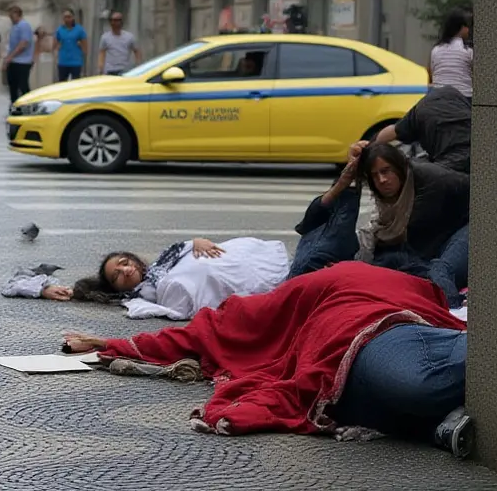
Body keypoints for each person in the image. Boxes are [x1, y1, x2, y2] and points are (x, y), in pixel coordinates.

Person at [61, 261, 473, 457]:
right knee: (390, 401)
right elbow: (200, 331)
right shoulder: (280, 300)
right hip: (344, 382)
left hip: (381, 332)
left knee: (416, 386)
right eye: (115, 274)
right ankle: (441, 423)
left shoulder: (335, 281)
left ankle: (492, 369)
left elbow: (205, 330)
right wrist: (112, 343)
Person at [289, 141, 470, 307]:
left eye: (386, 171)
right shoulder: (386, 202)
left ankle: (454, 315)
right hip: (440, 236)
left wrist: (356, 271)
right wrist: (343, 182)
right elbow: (308, 224)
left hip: (470, 226)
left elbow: (416, 254)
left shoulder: (428, 183)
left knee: (439, 272)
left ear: (399, 168)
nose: (382, 180)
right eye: (375, 175)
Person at [1, 236, 288, 321]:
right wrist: (45, 289)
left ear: (135, 261)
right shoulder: (134, 296)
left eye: (124, 264)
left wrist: (197, 242)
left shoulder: (165, 257)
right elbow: (15, 282)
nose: (124, 271)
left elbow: (190, 246)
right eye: (117, 276)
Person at [373, 85, 471, 173]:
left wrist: (370, 146)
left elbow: (392, 131)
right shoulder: (457, 97)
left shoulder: (422, 109)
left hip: (452, 166)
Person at [429, 9, 473, 100]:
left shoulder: (435, 50)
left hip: (438, 97)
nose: (468, 30)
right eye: (467, 27)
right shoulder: (467, 51)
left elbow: (433, 73)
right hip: (463, 97)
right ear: (462, 28)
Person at [2, 6, 34, 103]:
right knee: (13, 86)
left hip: (22, 62)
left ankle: (27, 105)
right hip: (13, 61)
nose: (10, 18)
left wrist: (10, 57)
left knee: (22, 86)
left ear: (17, 14)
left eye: (12, 15)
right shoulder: (14, 26)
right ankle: (15, 105)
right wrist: (7, 59)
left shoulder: (24, 25)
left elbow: (23, 44)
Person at [53, 9, 88, 82]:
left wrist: (82, 48)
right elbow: (54, 45)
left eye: (69, 17)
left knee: (75, 83)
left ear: (73, 17)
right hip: (63, 61)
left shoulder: (79, 30)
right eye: (65, 17)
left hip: (76, 62)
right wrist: (56, 52)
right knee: (62, 83)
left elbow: (85, 46)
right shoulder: (60, 30)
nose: (67, 19)